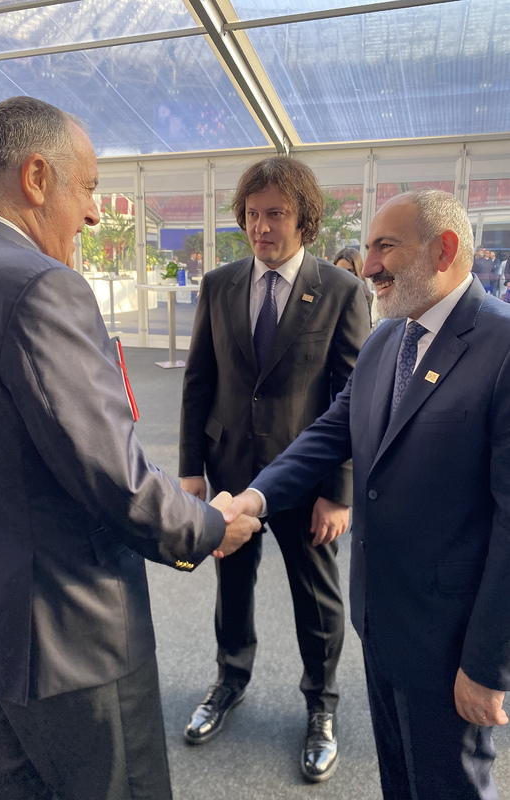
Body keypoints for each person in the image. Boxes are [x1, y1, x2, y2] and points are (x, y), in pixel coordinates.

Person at [0, 96, 260, 800]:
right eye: (88, 188)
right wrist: (209, 527)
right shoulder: (39, 287)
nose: (95, 214)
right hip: (75, 638)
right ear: (36, 177)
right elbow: (112, 473)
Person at [225, 188, 510, 800]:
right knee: (400, 781)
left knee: (451, 786)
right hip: (381, 621)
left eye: (386, 247)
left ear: (444, 250)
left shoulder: (502, 347)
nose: (369, 264)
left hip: (451, 640)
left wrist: (488, 666)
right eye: (369, 247)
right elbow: (329, 433)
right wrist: (254, 499)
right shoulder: (387, 339)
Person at [179, 156, 370, 782]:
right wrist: (190, 471)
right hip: (229, 470)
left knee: (316, 597)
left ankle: (322, 705)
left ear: (304, 219)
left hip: (305, 482)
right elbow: (198, 380)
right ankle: (229, 680)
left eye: (276, 214)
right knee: (232, 587)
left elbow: (351, 398)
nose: (261, 227)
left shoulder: (341, 291)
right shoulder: (219, 284)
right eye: (252, 214)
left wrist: (338, 492)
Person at [333, 246, 374, 322]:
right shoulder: (328, 294)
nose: (344, 274)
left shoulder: (366, 296)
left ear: (357, 271)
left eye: (350, 270)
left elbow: (366, 325)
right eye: (340, 270)